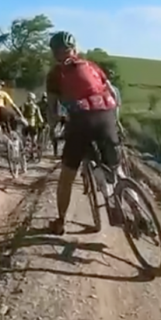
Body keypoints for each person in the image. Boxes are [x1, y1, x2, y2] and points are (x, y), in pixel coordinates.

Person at [45, 31, 121, 235]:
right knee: (115, 167)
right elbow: (112, 93)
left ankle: (60, 222)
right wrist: (115, 120)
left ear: (54, 53)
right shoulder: (91, 66)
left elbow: (52, 109)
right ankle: (130, 202)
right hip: (106, 115)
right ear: (75, 49)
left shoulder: (55, 74)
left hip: (81, 122)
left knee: (67, 177)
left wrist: (52, 127)